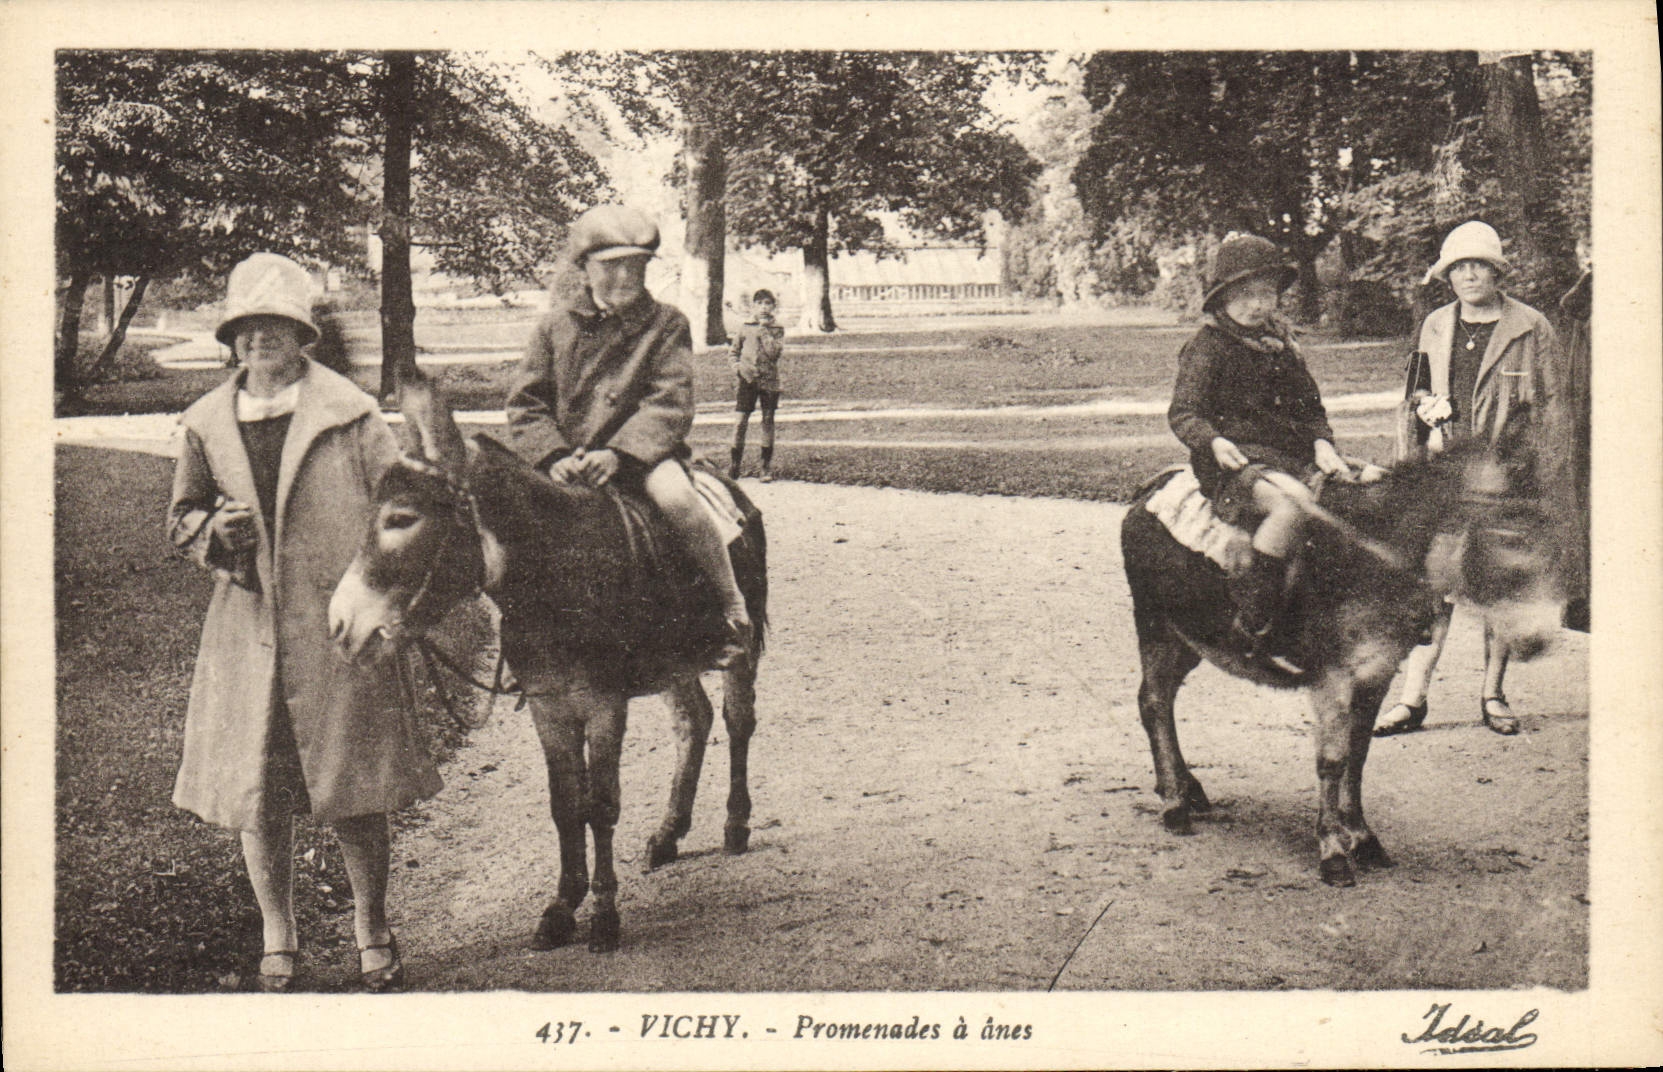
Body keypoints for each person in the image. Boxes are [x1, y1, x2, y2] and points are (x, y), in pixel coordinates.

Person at [169, 253, 441, 991]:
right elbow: (182, 514)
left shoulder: (347, 412)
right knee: (260, 795)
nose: (261, 340)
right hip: (247, 636)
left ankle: (371, 927)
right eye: (247, 328)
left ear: (302, 336)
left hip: (337, 631)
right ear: (231, 339)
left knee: (354, 788)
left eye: (277, 327)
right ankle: (278, 936)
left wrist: (391, 599)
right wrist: (210, 535)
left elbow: (400, 509)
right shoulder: (205, 423)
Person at [506, 204, 751, 666]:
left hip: (642, 457)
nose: (624, 277)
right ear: (583, 268)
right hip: (567, 457)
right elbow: (526, 402)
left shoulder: (666, 323)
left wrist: (621, 455)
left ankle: (727, 609)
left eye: (635, 266)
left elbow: (668, 401)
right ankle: (530, 639)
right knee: (515, 518)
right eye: (610, 266)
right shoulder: (552, 326)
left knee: (678, 499)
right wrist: (552, 454)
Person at [1375, 220, 1572, 736]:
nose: (1468, 275)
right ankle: (1412, 699)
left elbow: (1555, 409)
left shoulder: (1531, 327)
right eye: (1458, 267)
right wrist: (1425, 414)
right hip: (1446, 478)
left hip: (1507, 481)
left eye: (1477, 265)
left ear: (1495, 271)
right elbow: (1412, 396)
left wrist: (1539, 475)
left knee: (1497, 583)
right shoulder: (1435, 325)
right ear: (1448, 275)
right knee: (1432, 585)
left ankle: (1493, 695)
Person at [1169, 234, 1352, 669]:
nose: (1256, 305)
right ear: (1224, 297)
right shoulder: (1208, 347)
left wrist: (1322, 442)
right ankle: (1257, 622)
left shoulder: (1283, 345)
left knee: (1358, 494)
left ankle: (1328, 615)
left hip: (1289, 456)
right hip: (1234, 462)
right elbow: (1184, 413)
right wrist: (1213, 440)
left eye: (1266, 294)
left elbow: (1311, 409)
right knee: (1291, 508)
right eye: (1245, 295)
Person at [728, 288, 785, 482]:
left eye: (767, 303)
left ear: (773, 307)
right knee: (740, 421)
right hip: (747, 380)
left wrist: (764, 332)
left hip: (769, 380)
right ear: (753, 306)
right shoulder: (745, 327)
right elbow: (734, 351)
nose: (763, 308)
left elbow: (774, 353)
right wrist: (737, 368)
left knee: (767, 421)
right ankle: (735, 464)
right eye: (759, 303)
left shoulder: (777, 329)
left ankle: (765, 467)